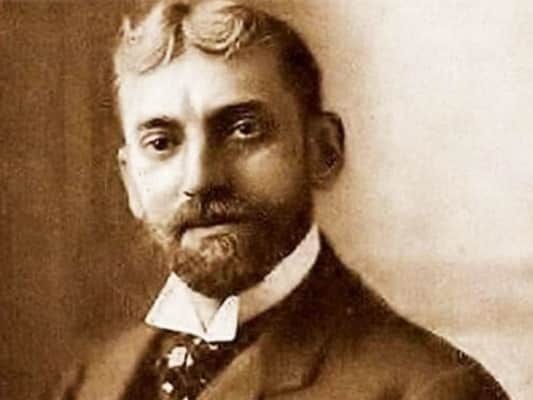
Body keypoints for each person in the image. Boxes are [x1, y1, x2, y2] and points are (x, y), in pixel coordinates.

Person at [52, 0, 510, 399]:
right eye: (161, 143)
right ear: (131, 183)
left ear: (323, 151)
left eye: (243, 130)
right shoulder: (89, 384)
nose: (200, 178)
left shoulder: (435, 390)